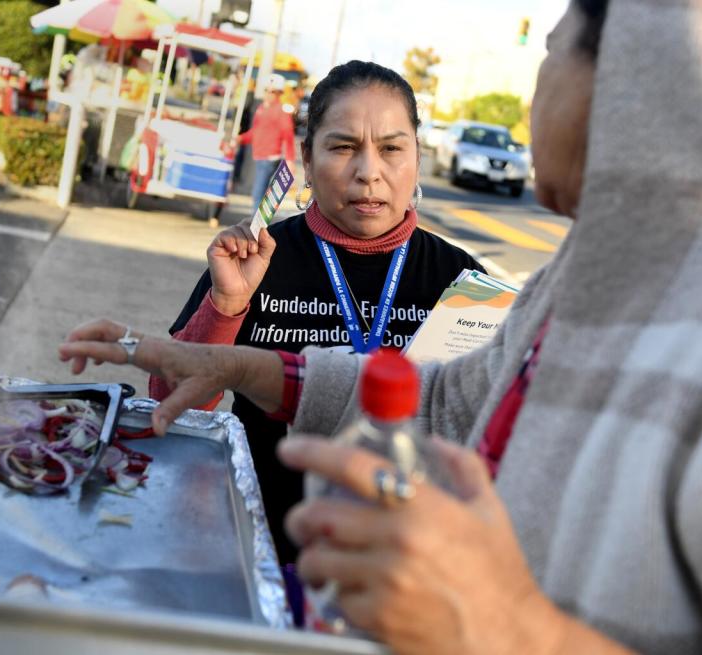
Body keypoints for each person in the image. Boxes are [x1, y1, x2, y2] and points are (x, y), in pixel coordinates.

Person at [60, 0, 702, 652]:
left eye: (552, 47)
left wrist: (512, 627)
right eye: (343, 146)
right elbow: (442, 403)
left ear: (641, 69)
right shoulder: (593, 273)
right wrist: (233, 358)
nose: (534, 84)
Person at [150, 60, 484, 562]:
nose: (369, 171)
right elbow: (169, 404)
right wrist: (228, 305)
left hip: (400, 565)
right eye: (343, 146)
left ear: (418, 157)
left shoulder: (466, 284)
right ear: (307, 158)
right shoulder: (256, 257)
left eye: (392, 148)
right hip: (257, 544)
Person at [237, 74, 296, 210]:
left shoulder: (281, 111)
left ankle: (256, 229)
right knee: (259, 195)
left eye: (273, 92)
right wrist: (241, 139)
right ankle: (258, 227)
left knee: (258, 194)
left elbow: (288, 135)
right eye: (267, 90)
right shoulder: (261, 109)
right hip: (259, 156)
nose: (269, 94)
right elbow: (255, 132)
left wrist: (290, 160)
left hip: (269, 158)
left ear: (279, 93)